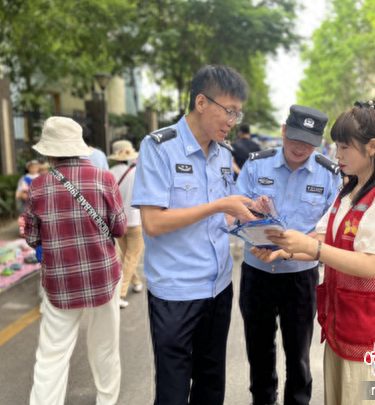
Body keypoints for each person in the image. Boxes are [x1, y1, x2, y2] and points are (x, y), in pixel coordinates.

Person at [252, 100, 375, 405]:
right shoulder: (350, 190)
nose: (336, 156)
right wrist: (283, 250)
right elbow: (322, 238)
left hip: (372, 333)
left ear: (371, 147)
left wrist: (310, 247)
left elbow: (368, 265)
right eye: (336, 147)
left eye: (344, 148)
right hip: (342, 324)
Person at [131, 65, 256, 405]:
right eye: (228, 110)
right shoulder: (159, 147)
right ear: (201, 102)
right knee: (173, 390)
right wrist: (217, 205)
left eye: (237, 112)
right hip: (176, 291)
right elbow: (153, 223)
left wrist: (252, 216)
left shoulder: (223, 154)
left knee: (211, 382)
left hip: (218, 287)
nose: (233, 120)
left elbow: (223, 218)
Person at [235, 105, 341, 405]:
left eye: (308, 142)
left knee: (299, 354)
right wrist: (254, 215)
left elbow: (327, 231)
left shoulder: (329, 174)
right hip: (257, 274)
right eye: (295, 138)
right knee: (259, 352)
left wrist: (287, 249)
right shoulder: (257, 165)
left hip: (300, 278)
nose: (299, 147)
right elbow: (235, 213)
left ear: (318, 142)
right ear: (283, 130)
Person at [23, 117, 127, 405]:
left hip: (59, 282)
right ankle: (106, 401)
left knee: (52, 353)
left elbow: (32, 237)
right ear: (80, 148)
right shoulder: (105, 179)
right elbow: (118, 228)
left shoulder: (38, 186)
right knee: (105, 347)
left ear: (49, 152)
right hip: (103, 278)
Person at [108, 140, 144, 308]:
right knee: (131, 257)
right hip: (135, 219)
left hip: (117, 222)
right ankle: (120, 294)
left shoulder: (107, 174)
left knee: (126, 256)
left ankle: (136, 283)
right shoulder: (137, 172)